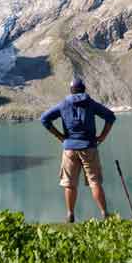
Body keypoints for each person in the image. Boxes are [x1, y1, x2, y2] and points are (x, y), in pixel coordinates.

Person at [40, 78, 117, 223]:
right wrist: (102, 136)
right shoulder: (90, 103)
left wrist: (60, 137)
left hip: (69, 148)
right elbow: (110, 116)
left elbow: (44, 119)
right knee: (95, 182)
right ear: (84, 89)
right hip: (89, 147)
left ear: (71, 90)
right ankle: (105, 213)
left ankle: (70, 214)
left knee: (69, 183)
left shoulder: (63, 104)